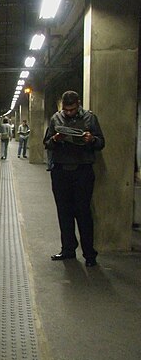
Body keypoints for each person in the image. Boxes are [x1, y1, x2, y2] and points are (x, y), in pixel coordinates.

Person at [43, 90, 105, 267]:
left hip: (82, 171)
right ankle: (68, 249)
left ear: (78, 104)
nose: (68, 113)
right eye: (66, 110)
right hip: (61, 171)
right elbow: (47, 143)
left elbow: (101, 143)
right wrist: (55, 138)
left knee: (83, 212)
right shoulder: (56, 119)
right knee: (64, 212)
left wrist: (91, 139)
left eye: (72, 109)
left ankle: (89, 254)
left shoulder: (90, 118)